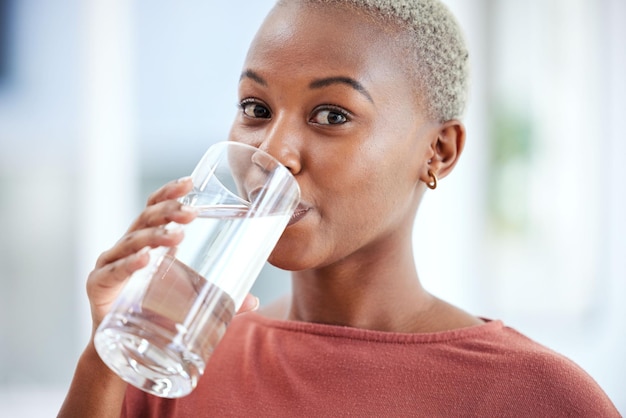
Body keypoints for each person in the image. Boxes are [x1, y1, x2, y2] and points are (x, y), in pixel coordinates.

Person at [59, 0, 620, 416]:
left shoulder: (541, 398)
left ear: (438, 151)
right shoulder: (174, 365)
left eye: (331, 115)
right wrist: (104, 358)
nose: (271, 153)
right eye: (256, 107)